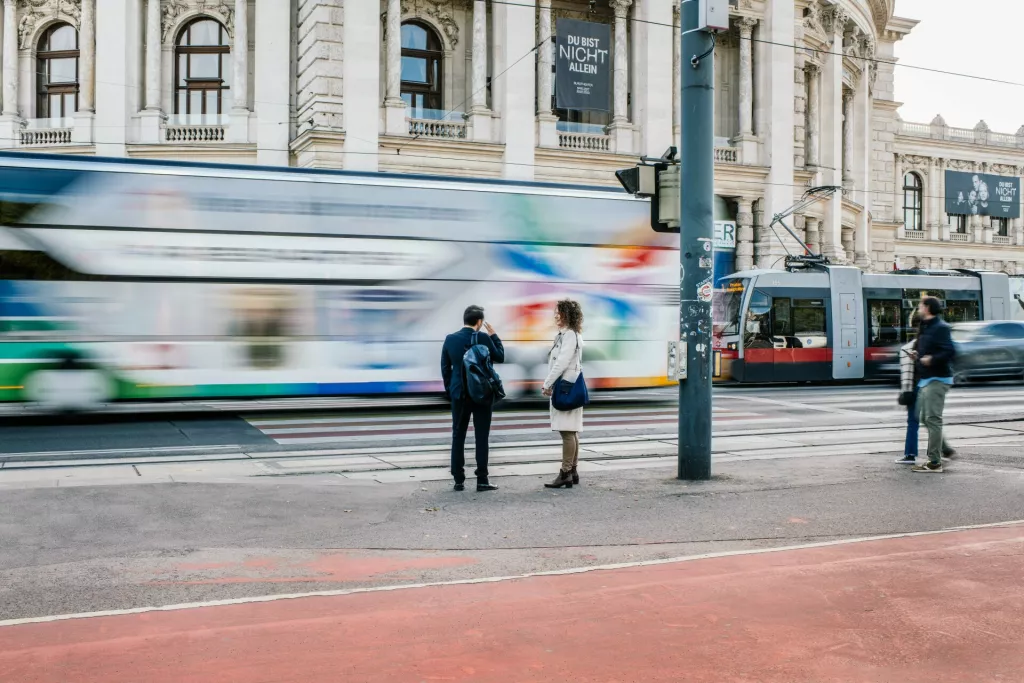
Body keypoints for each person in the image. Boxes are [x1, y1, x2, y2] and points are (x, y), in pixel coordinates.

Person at [441, 305, 504, 492]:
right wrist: (494, 336)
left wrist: (451, 390)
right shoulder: (483, 338)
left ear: (464, 320)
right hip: (482, 394)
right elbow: (500, 356)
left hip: (459, 394)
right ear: (479, 322)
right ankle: (482, 480)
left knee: (458, 435)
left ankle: (458, 480)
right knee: (481, 436)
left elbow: (445, 368)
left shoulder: (450, 339)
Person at [542, 299, 585, 489]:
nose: (555, 316)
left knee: (567, 432)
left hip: (566, 388)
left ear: (566, 315)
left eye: (558, 312)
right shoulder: (567, 335)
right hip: (568, 385)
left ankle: (566, 473)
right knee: (571, 431)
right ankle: (572, 471)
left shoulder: (569, 336)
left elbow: (561, 363)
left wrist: (547, 383)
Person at [912, 296, 957, 473]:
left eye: (920, 306)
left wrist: (932, 359)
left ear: (927, 308)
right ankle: (945, 449)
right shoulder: (925, 326)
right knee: (924, 417)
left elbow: (949, 351)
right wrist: (917, 355)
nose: (918, 309)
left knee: (932, 418)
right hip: (926, 377)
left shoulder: (940, 327)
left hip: (938, 378)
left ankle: (934, 462)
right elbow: (926, 349)